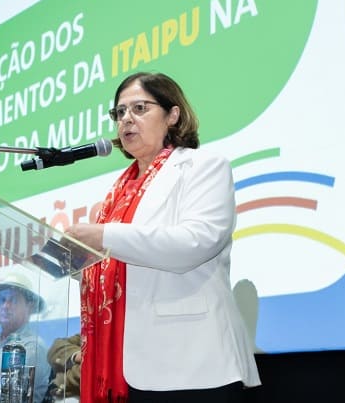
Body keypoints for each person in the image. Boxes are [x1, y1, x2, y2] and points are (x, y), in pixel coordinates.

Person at [64, 72, 261, 403]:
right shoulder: (113, 198)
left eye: (139, 108)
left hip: (193, 364)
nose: (126, 118)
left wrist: (105, 235)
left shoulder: (204, 166)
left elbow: (195, 243)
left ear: (173, 115)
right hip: (129, 364)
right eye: (119, 112)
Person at [0, 271, 51, 403]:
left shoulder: (32, 347)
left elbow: (7, 395)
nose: (5, 306)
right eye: (2, 300)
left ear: (29, 307)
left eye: (13, 300)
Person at [46, 334, 81, 403]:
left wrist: (62, 376)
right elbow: (55, 347)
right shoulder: (95, 331)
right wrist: (76, 355)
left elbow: (88, 373)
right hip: (63, 395)